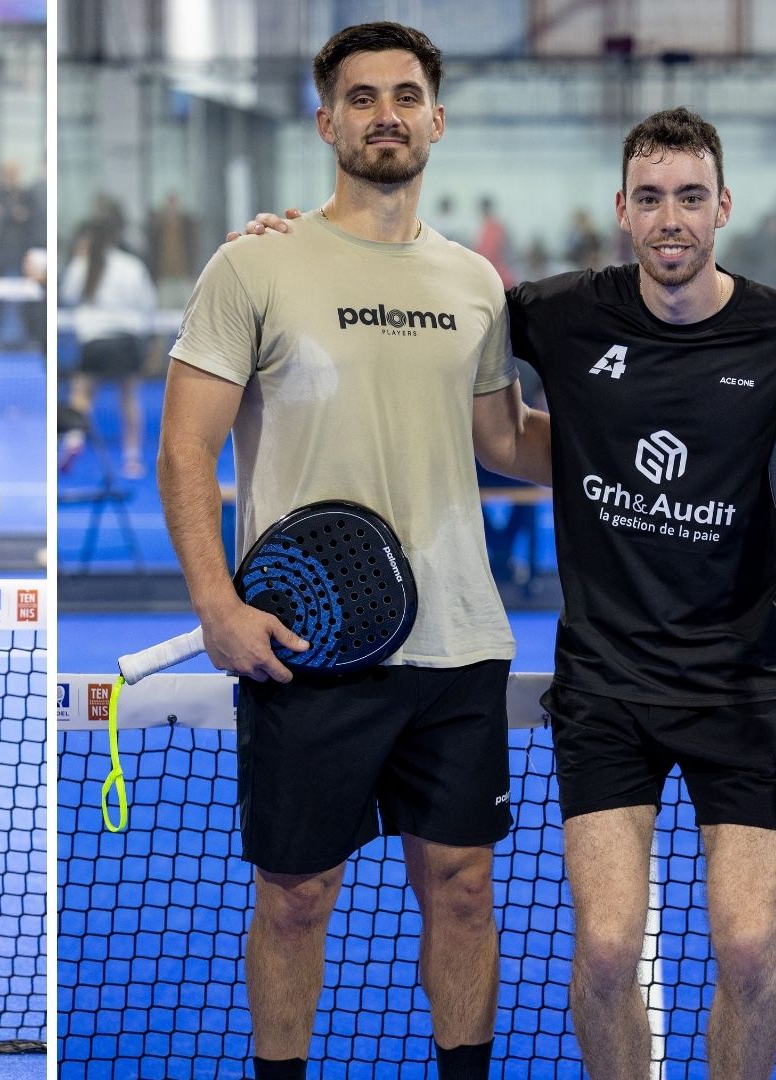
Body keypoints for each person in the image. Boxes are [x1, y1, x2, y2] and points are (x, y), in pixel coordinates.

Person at [238, 106, 776, 1080]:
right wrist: (280, 252)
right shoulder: (558, 311)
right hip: (606, 692)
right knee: (602, 950)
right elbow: (423, 303)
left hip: (743, 687)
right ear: (622, 212)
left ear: (723, 206)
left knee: (751, 948)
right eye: (649, 199)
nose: (669, 218)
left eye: (688, 197)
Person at [166, 23, 550, 1079]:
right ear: (326, 119)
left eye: (407, 95)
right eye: (363, 96)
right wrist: (216, 603)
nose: (387, 113)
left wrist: (656, 453)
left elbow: (507, 440)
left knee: (463, 885)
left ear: (437, 118)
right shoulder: (253, 263)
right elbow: (186, 447)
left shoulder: (477, 283)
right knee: (295, 899)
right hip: (309, 642)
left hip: (460, 641)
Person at [61, 210, 156, 479]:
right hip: (127, 340)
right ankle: (133, 460)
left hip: (94, 341)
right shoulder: (132, 265)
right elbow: (147, 303)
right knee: (129, 398)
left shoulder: (83, 265)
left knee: (81, 396)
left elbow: (68, 295)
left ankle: (74, 439)